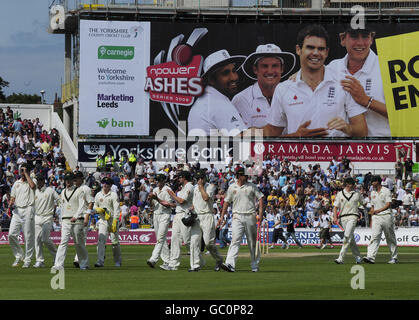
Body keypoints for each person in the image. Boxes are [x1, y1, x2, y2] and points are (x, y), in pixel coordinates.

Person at [264, 24, 368, 138]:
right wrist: (295, 137)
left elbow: (362, 132)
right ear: (298, 50)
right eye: (310, 47)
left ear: (327, 52)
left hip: (337, 155)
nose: (316, 53)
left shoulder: (345, 83)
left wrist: (348, 128)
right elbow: (272, 135)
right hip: (299, 155)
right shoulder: (283, 89)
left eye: (321, 49)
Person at [327, 24, 390, 137]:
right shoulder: (333, 67)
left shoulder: (387, 66)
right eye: (354, 36)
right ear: (342, 39)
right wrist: (298, 74)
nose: (360, 43)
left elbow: (405, 116)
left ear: (371, 39)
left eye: (365, 36)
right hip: (343, 150)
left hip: (384, 148)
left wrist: (366, 100)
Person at [232, 44, 295, 128]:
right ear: (255, 69)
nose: (270, 71)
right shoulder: (241, 99)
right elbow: (243, 137)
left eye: (275, 66)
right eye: (264, 66)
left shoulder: (293, 94)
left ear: (282, 69)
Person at [187, 49, 247, 136]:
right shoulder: (219, 104)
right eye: (226, 73)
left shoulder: (206, 100)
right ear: (211, 79)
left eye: (234, 71)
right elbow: (244, 141)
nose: (234, 77)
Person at [218, 167, 264, 272]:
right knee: (235, 240)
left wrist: (260, 214)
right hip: (237, 216)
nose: (247, 177)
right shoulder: (232, 187)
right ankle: (230, 264)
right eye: (244, 175)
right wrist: (222, 216)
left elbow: (261, 198)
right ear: (239, 176)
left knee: (252, 242)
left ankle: (254, 265)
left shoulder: (252, 186)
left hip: (250, 216)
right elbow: (226, 202)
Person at [52, 172, 89, 270]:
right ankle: (58, 264)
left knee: (79, 243)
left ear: (73, 180)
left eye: (69, 180)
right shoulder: (63, 192)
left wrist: (76, 216)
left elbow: (82, 205)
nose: (67, 182)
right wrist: (61, 220)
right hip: (65, 220)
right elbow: (62, 206)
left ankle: (83, 263)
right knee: (63, 242)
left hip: (77, 220)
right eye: (66, 180)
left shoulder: (79, 190)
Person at [189, 170, 223, 272]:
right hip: (196, 217)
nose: (199, 180)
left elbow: (206, 198)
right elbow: (194, 202)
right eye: (197, 179)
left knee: (208, 243)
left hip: (207, 216)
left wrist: (201, 187)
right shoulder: (195, 188)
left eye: (201, 178)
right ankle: (195, 265)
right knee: (194, 242)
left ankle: (219, 260)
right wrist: (192, 209)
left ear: (204, 178)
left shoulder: (210, 187)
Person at [160, 170, 194, 271]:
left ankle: (198, 261)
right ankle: (173, 264)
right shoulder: (183, 188)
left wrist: (172, 194)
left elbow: (182, 201)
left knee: (188, 240)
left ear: (184, 178)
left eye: (180, 177)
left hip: (185, 215)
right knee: (175, 239)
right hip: (178, 214)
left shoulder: (189, 187)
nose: (178, 179)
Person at [363, 175, 399, 264]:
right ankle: (370, 257)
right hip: (376, 218)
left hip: (386, 216)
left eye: (373, 182)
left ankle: (394, 257)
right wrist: (371, 219)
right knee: (374, 237)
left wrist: (378, 210)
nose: (372, 183)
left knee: (390, 237)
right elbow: (372, 207)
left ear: (378, 182)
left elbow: (388, 204)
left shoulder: (386, 191)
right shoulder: (372, 192)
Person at [8, 163, 36, 268]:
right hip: (17, 210)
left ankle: (27, 259)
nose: (22, 172)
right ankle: (19, 255)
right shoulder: (16, 183)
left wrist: (27, 174)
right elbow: (13, 197)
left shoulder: (33, 180)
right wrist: (10, 204)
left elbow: (33, 186)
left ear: (28, 171)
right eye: (21, 170)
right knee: (11, 234)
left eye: (24, 170)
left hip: (29, 209)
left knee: (28, 236)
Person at [146, 174, 175, 269]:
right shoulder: (155, 190)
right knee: (161, 239)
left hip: (165, 215)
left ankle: (153, 259)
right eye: (157, 181)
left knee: (161, 237)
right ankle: (167, 260)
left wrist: (156, 198)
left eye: (159, 181)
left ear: (163, 180)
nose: (158, 183)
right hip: (156, 215)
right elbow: (152, 205)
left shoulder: (168, 190)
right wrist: (150, 199)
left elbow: (168, 205)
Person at [93, 177, 122, 267]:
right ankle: (100, 261)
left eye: (107, 183)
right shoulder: (98, 194)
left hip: (112, 220)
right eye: (103, 183)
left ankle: (117, 261)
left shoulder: (113, 195)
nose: (104, 185)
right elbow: (94, 205)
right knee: (101, 240)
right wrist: (98, 209)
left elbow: (117, 209)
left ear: (110, 185)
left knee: (114, 242)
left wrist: (114, 222)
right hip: (103, 220)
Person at [33, 173, 59, 268]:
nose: (38, 182)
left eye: (40, 180)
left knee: (45, 239)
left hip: (47, 217)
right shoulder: (34, 191)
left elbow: (59, 200)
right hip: (37, 217)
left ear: (43, 181)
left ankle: (57, 256)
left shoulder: (50, 190)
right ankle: (39, 260)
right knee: (37, 240)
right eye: (37, 180)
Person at [73, 171, 94, 268]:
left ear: (81, 179)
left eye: (76, 179)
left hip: (83, 216)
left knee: (81, 239)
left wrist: (87, 217)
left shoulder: (86, 189)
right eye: (74, 179)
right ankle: (79, 259)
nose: (75, 181)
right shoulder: (74, 189)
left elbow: (90, 203)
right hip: (74, 217)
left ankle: (79, 259)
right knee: (77, 240)